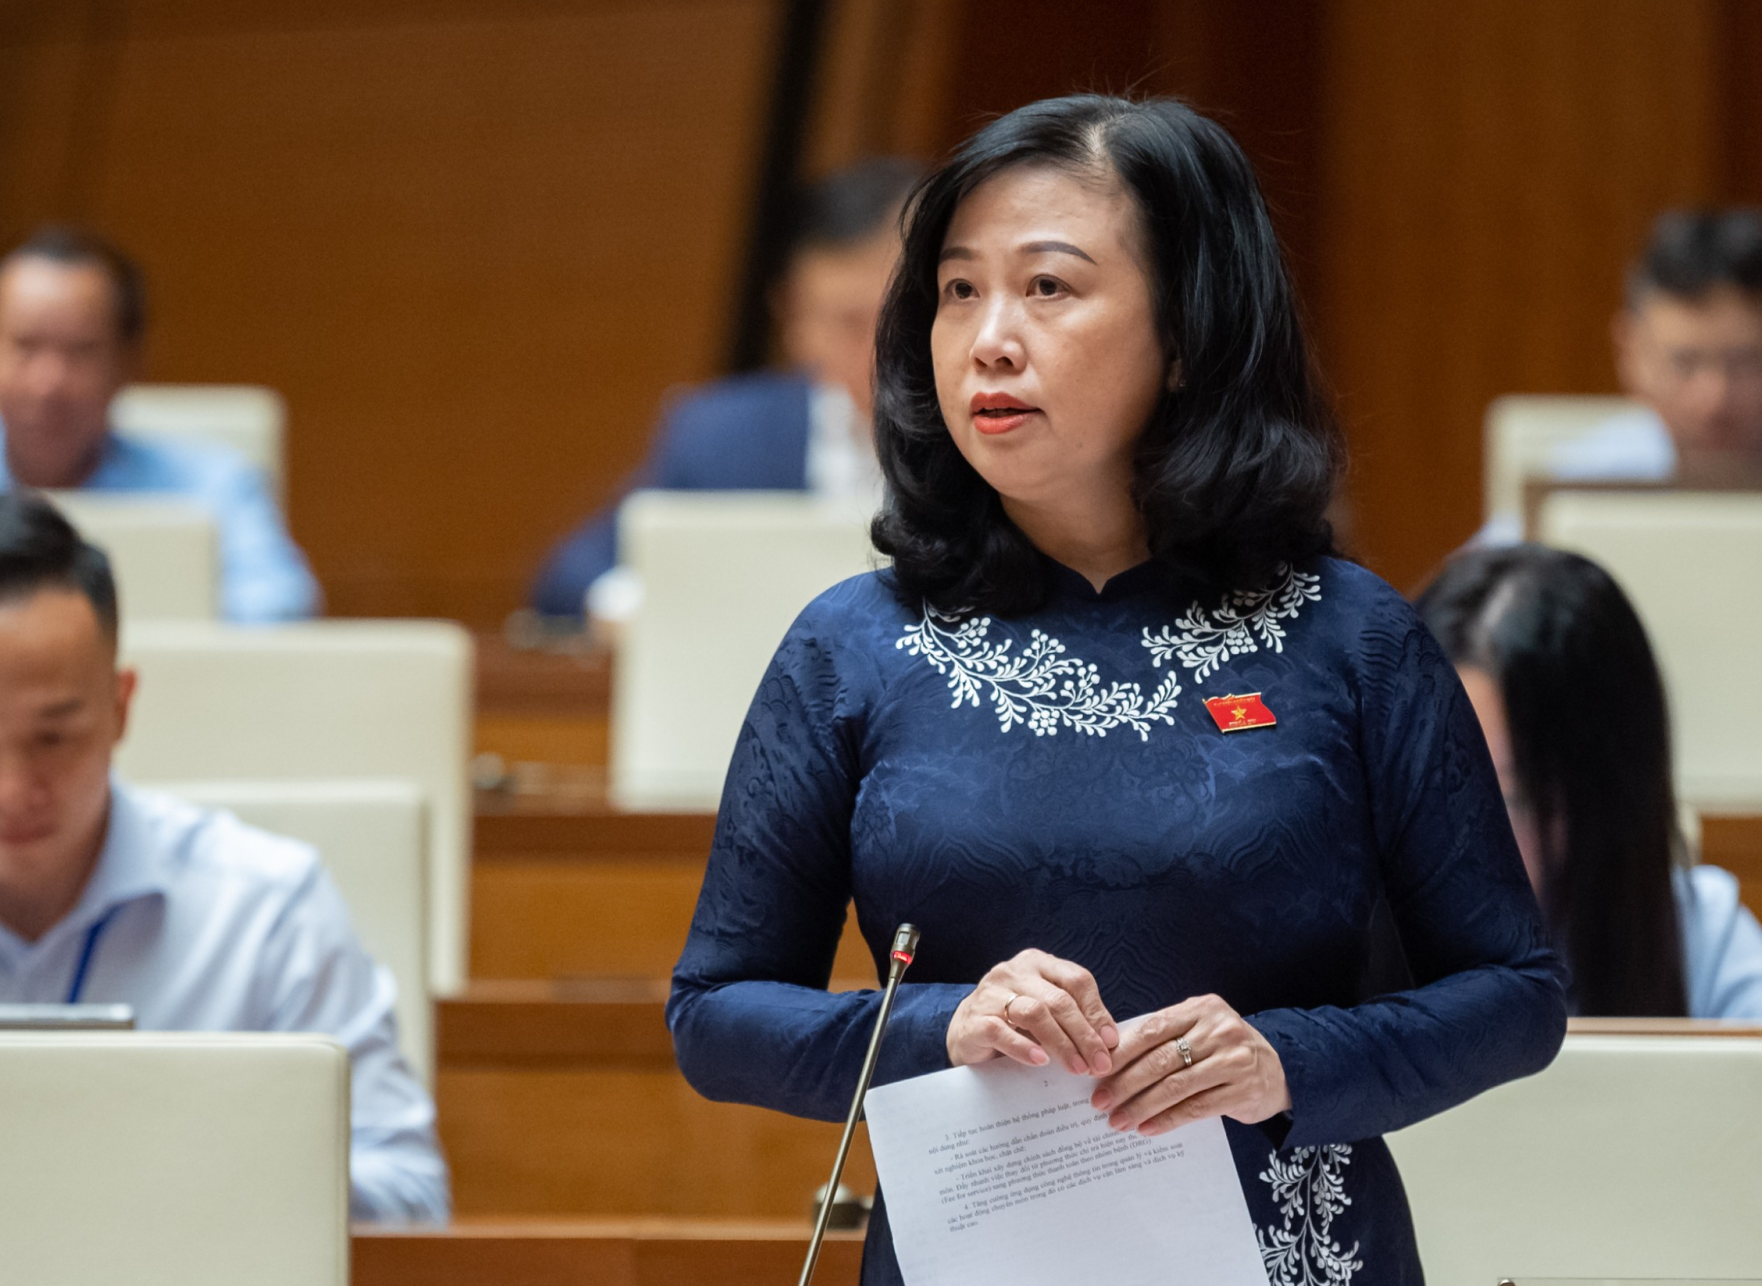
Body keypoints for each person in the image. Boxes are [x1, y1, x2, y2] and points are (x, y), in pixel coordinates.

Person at [666, 94, 1566, 1286]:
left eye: (1047, 288)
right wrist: (943, 1026)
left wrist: (1282, 1059)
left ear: (1187, 332)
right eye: (954, 290)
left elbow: (1514, 996)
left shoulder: (1350, 639)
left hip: (1293, 1249)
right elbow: (715, 1016)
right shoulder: (850, 647)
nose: (987, 338)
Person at [0, 495, 445, 1223]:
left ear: (121, 706)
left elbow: (413, 1197)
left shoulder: (267, 911)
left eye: (54, 737)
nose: (11, 789)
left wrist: (217, 1181)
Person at [0, 225, 321, 624]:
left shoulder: (212, 486)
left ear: (131, 363)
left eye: (81, 351)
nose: (48, 382)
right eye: (24, 346)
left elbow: (278, 606)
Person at [529, 157, 921, 621]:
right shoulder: (722, 434)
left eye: (904, 315)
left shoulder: (997, 430)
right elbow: (570, 578)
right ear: (794, 317)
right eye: (850, 323)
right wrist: (634, 607)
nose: (882, 349)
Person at [1418, 544, 1762, 1018]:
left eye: (1516, 799)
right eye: (1441, 783)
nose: (1463, 841)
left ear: (1606, 798)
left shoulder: (1697, 941)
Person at [1478, 207, 1762, 542]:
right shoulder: (1578, 493)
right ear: (1632, 355)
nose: (1713, 398)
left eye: (1746, 362)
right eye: (1684, 363)